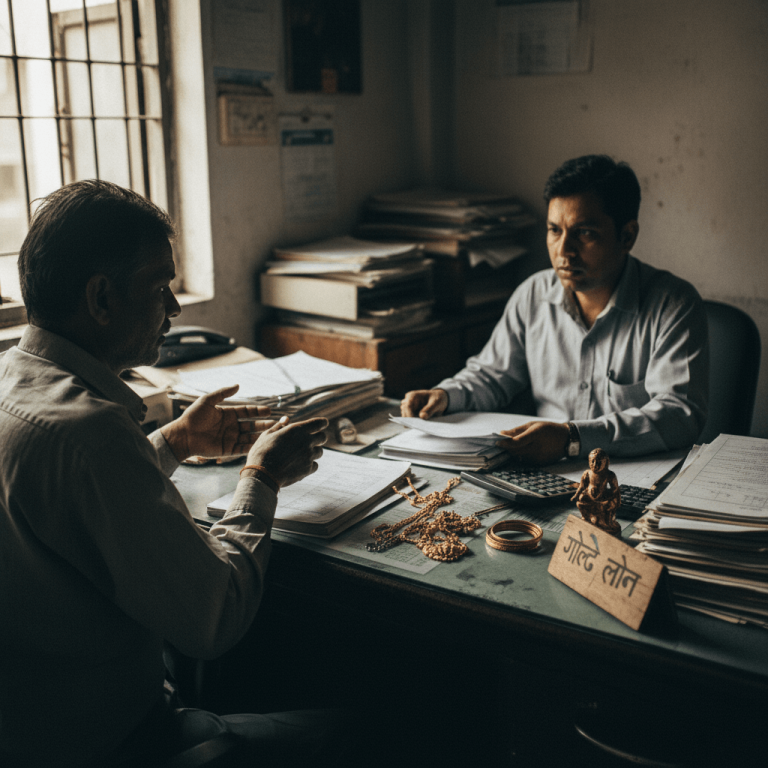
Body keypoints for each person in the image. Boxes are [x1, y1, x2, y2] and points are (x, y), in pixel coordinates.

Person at [0, 180, 346, 767]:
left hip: (28, 723)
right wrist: (261, 478)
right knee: (368, 726)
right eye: (161, 288)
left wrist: (174, 441)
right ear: (101, 298)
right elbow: (215, 617)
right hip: (107, 741)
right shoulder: (93, 434)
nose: (176, 309)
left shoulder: (14, 380)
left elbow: (73, 498)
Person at [401, 155, 708, 464]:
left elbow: (678, 415)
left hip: (634, 475)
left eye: (584, 233)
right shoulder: (533, 295)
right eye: (554, 231)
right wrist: (446, 395)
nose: (564, 251)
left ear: (626, 236)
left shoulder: (673, 304)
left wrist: (573, 439)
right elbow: (492, 374)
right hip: (549, 474)